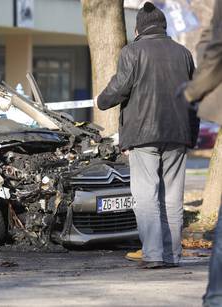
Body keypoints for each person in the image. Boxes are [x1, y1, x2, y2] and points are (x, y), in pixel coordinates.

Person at [95, 2, 198, 269]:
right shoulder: (184, 54)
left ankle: (153, 254)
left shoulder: (132, 51)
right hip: (178, 135)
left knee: (146, 196)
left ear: (138, 27)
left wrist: (101, 100)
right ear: (163, 26)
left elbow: (119, 88)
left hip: (143, 135)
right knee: (173, 198)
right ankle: (173, 255)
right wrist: (192, 136)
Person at [180, 0, 222, 305]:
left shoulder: (130, 54)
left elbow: (216, 49)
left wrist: (192, 92)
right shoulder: (180, 53)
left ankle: (217, 297)